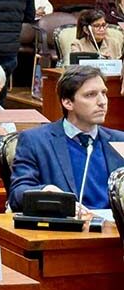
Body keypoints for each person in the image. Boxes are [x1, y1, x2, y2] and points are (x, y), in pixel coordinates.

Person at [9, 65, 124, 212]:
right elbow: (17, 194)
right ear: (67, 102)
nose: (102, 101)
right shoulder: (35, 141)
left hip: (113, 224)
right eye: (90, 95)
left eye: (104, 93)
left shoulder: (120, 140)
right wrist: (45, 191)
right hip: (66, 223)